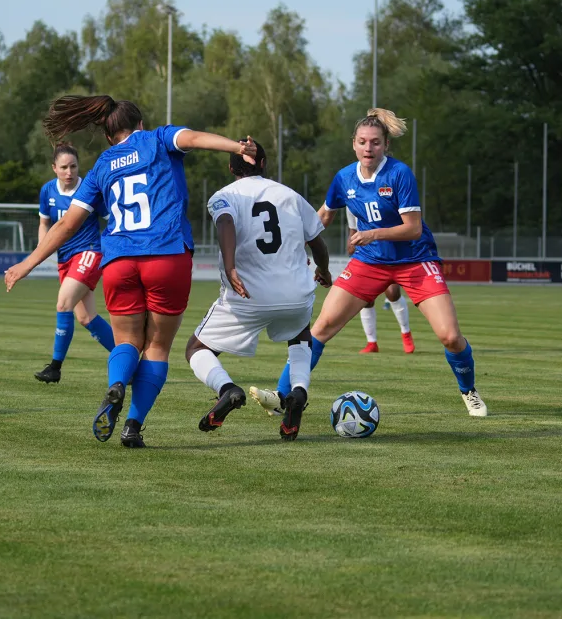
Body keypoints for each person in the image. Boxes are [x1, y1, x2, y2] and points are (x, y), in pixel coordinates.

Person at [4, 94, 256, 448]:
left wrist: (26, 264)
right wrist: (237, 146)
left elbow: (65, 227)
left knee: (126, 342)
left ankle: (117, 384)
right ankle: (132, 426)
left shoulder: (101, 167)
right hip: (166, 256)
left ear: (108, 136)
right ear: (140, 124)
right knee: (156, 347)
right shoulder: (157, 138)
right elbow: (195, 139)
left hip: (120, 260)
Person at [253, 108, 487, 424]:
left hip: (416, 260)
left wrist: (372, 233)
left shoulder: (400, 174)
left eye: (375, 143)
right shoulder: (344, 177)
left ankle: (468, 390)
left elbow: (413, 228)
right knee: (321, 327)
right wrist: (298, 248)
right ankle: (282, 398)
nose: (368, 148)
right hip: (369, 262)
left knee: (449, 336)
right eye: (363, 142)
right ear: (354, 144)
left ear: (385, 145)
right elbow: (323, 216)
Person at [185, 140, 332, 441]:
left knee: (197, 349)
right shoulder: (290, 195)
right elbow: (317, 241)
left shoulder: (224, 196)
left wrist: (230, 266)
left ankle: (227, 389)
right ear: (264, 163)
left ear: (230, 168)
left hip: (247, 296)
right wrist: (325, 270)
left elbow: (225, 222)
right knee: (300, 335)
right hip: (294, 294)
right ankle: (299, 392)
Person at [34, 142, 116, 384]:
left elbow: (113, 219)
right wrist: (42, 251)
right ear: (54, 168)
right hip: (65, 260)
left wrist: (111, 247)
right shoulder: (47, 191)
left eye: (73, 166)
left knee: (63, 303)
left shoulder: (89, 189)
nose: (69, 172)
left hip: (89, 253)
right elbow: (44, 224)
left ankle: (55, 367)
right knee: (86, 318)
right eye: (64, 167)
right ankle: (130, 362)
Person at [348, 209, 416, 355]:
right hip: (367, 255)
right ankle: (371, 343)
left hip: (389, 251)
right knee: (365, 300)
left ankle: (406, 333)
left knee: (392, 293)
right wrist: (351, 240)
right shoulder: (350, 194)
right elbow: (353, 227)